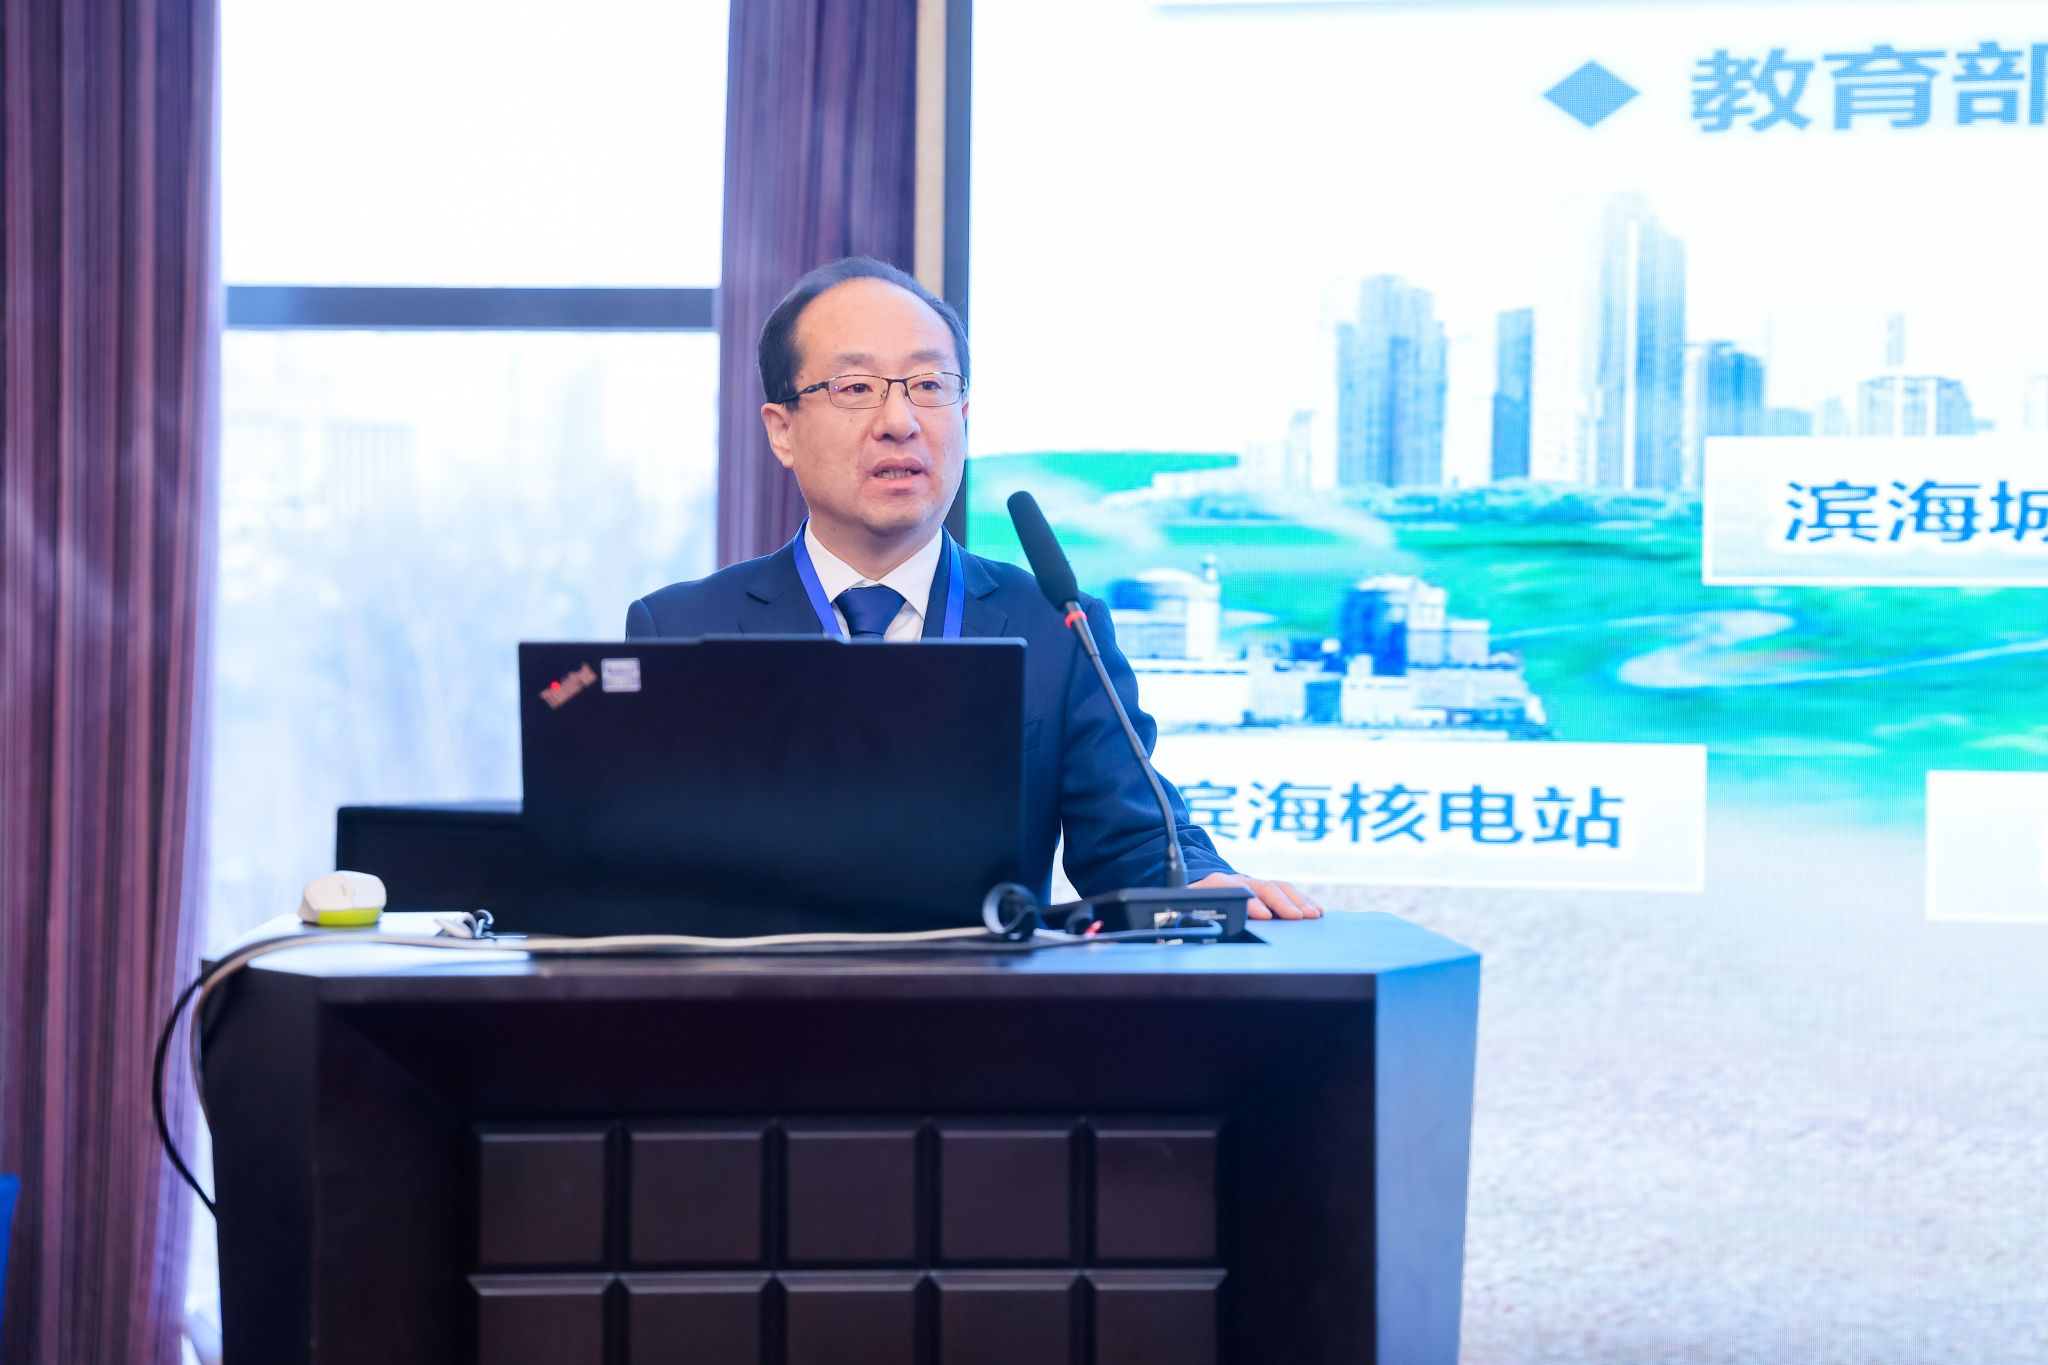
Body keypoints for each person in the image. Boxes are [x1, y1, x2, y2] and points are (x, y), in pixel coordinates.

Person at [627, 257, 1322, 921]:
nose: (899, 421)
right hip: (758, 1002)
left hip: (983, 1002)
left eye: (929, 385)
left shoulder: (1055, 627)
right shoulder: (679, 629)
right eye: (855, 387)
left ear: (962, 415)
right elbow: (644, 863)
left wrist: (1197, 880)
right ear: (782, 430)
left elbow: (1136, 844)